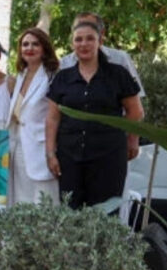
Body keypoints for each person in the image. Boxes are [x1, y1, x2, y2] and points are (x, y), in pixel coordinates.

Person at [46, 21, 143, 209]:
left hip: (109, 156)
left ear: (100, 41)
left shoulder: (118, 74)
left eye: (90, 38)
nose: (84, 44)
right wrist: (50, 154)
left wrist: (132, 141)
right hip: (69, 156)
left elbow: (135, 111)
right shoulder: (62, 77)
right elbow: (52, 117)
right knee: (70, 213)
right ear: (72, 44)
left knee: (105, 216)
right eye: (78, 39)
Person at [8, 28, 60, 205]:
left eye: (35, 44)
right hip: (17, 145)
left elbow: (56, 115)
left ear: (44, 48)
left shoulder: (52, 76)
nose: (29, 48)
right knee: (21, 201)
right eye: (25, 44)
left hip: (41, 147)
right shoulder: (21, 75)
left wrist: (52, 152)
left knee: (44, 202)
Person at [59, 12, 143, 97]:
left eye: (90, 37)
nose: (84, 43)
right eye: (78, 28)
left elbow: (136, 99)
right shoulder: (63, 64)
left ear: (101, 34)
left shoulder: (120, 59)